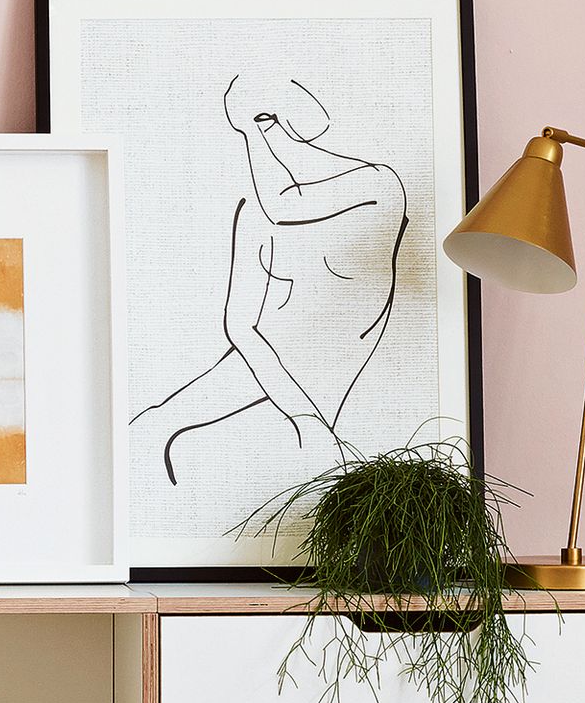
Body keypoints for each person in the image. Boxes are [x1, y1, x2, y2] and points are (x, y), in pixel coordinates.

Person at [132, 73, 408, 487]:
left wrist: (306, 417)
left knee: (305, 470)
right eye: (244, 130)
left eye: (262, 122)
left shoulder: (377, 185)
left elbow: (284, 204)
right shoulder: (254, 215)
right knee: (153, 427)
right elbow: (239, 324)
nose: (257, 142)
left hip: (329, 369)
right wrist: (299, 411)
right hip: (266, 360)